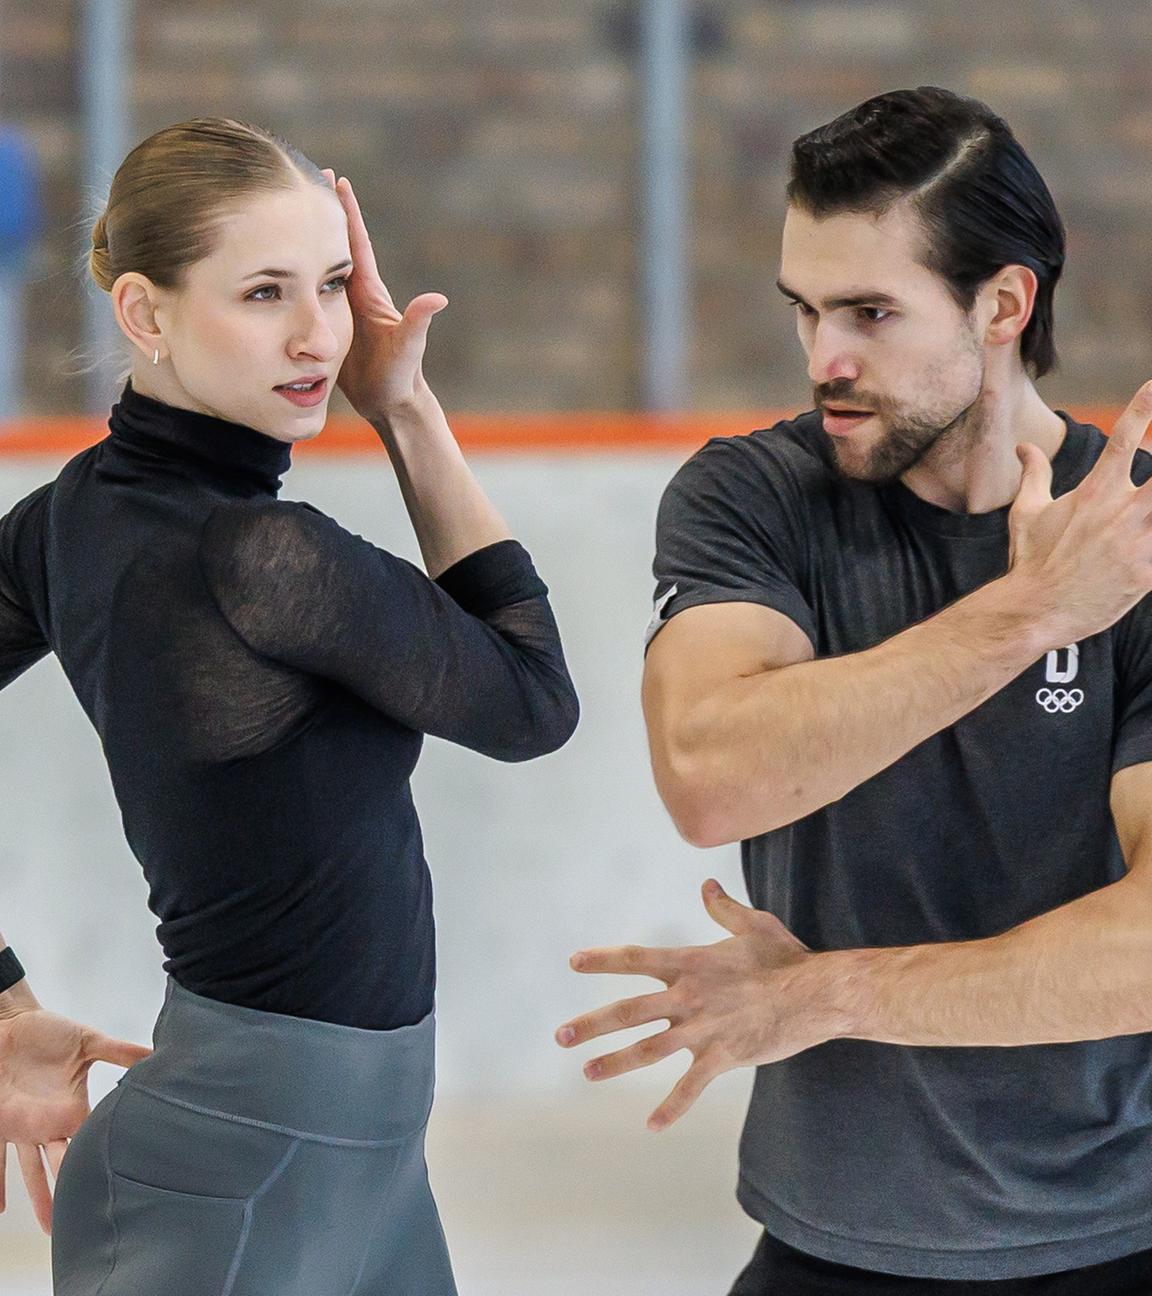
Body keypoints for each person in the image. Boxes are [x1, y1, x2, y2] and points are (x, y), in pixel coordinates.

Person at [557, 86, 1152, 1294]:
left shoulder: (1132, 535)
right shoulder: (753, 498)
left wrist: (820, 998)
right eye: (808, 310)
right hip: (829, 1245)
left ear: (1003, 304)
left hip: (1115, 1237)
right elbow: (714, 778)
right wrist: (1030, 614)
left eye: (872, 312)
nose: (826, 357)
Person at [0, 116, 578, 1296]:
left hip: (341, 1165)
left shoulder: (69, 518)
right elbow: (532, 698)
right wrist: (405, 412)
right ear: (146, 315)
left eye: (329, 283)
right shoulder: (266, 554)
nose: (319, 335)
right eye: (265, 292)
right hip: (244, 1170)